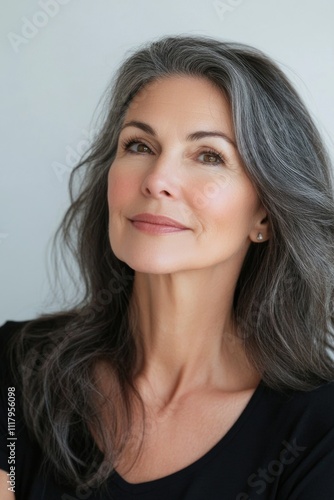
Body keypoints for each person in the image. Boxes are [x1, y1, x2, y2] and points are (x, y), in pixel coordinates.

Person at [1, 35, 334, 500]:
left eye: (209, 156)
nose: (157, 180)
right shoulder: (16, 365)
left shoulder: (320, 430)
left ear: (264, 215)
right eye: (139, 145)